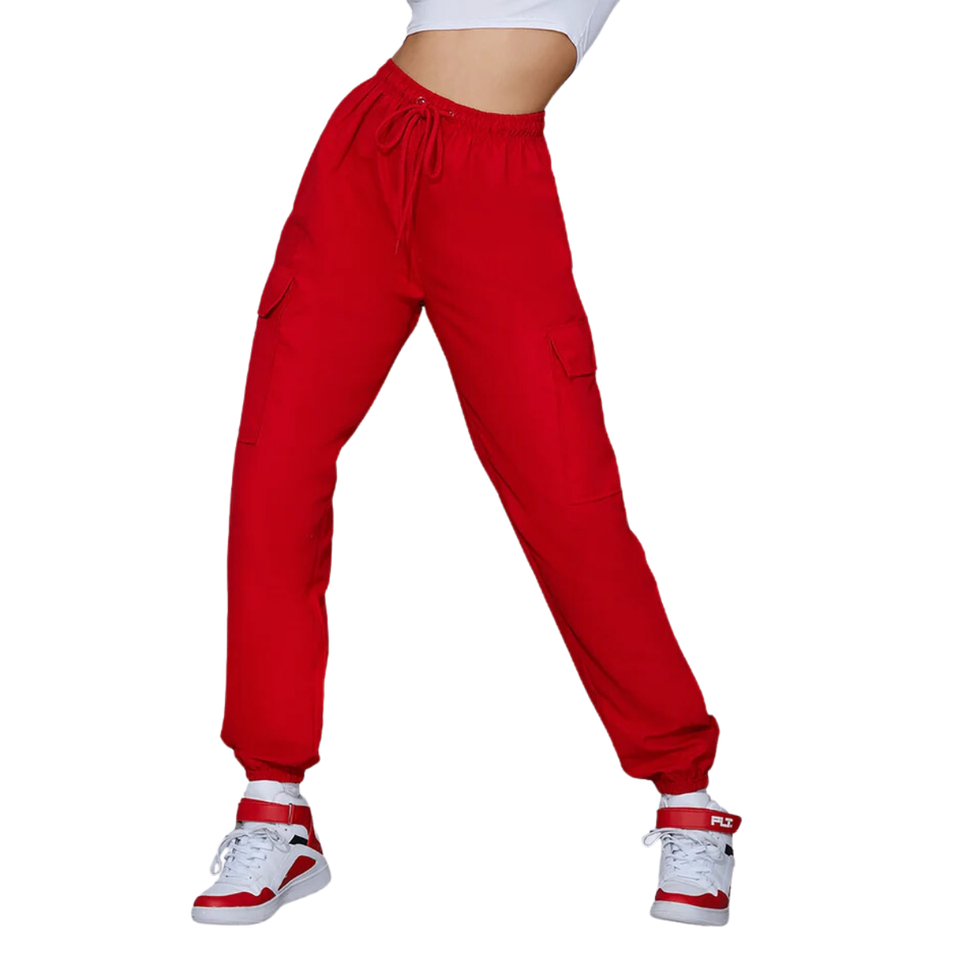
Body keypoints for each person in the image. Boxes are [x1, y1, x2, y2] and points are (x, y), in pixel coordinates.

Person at [192, 0, 741, 928]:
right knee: (276, 470)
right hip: (366, 155)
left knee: (567, 499)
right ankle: (274, 808)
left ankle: (690, 798)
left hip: (496, 188)